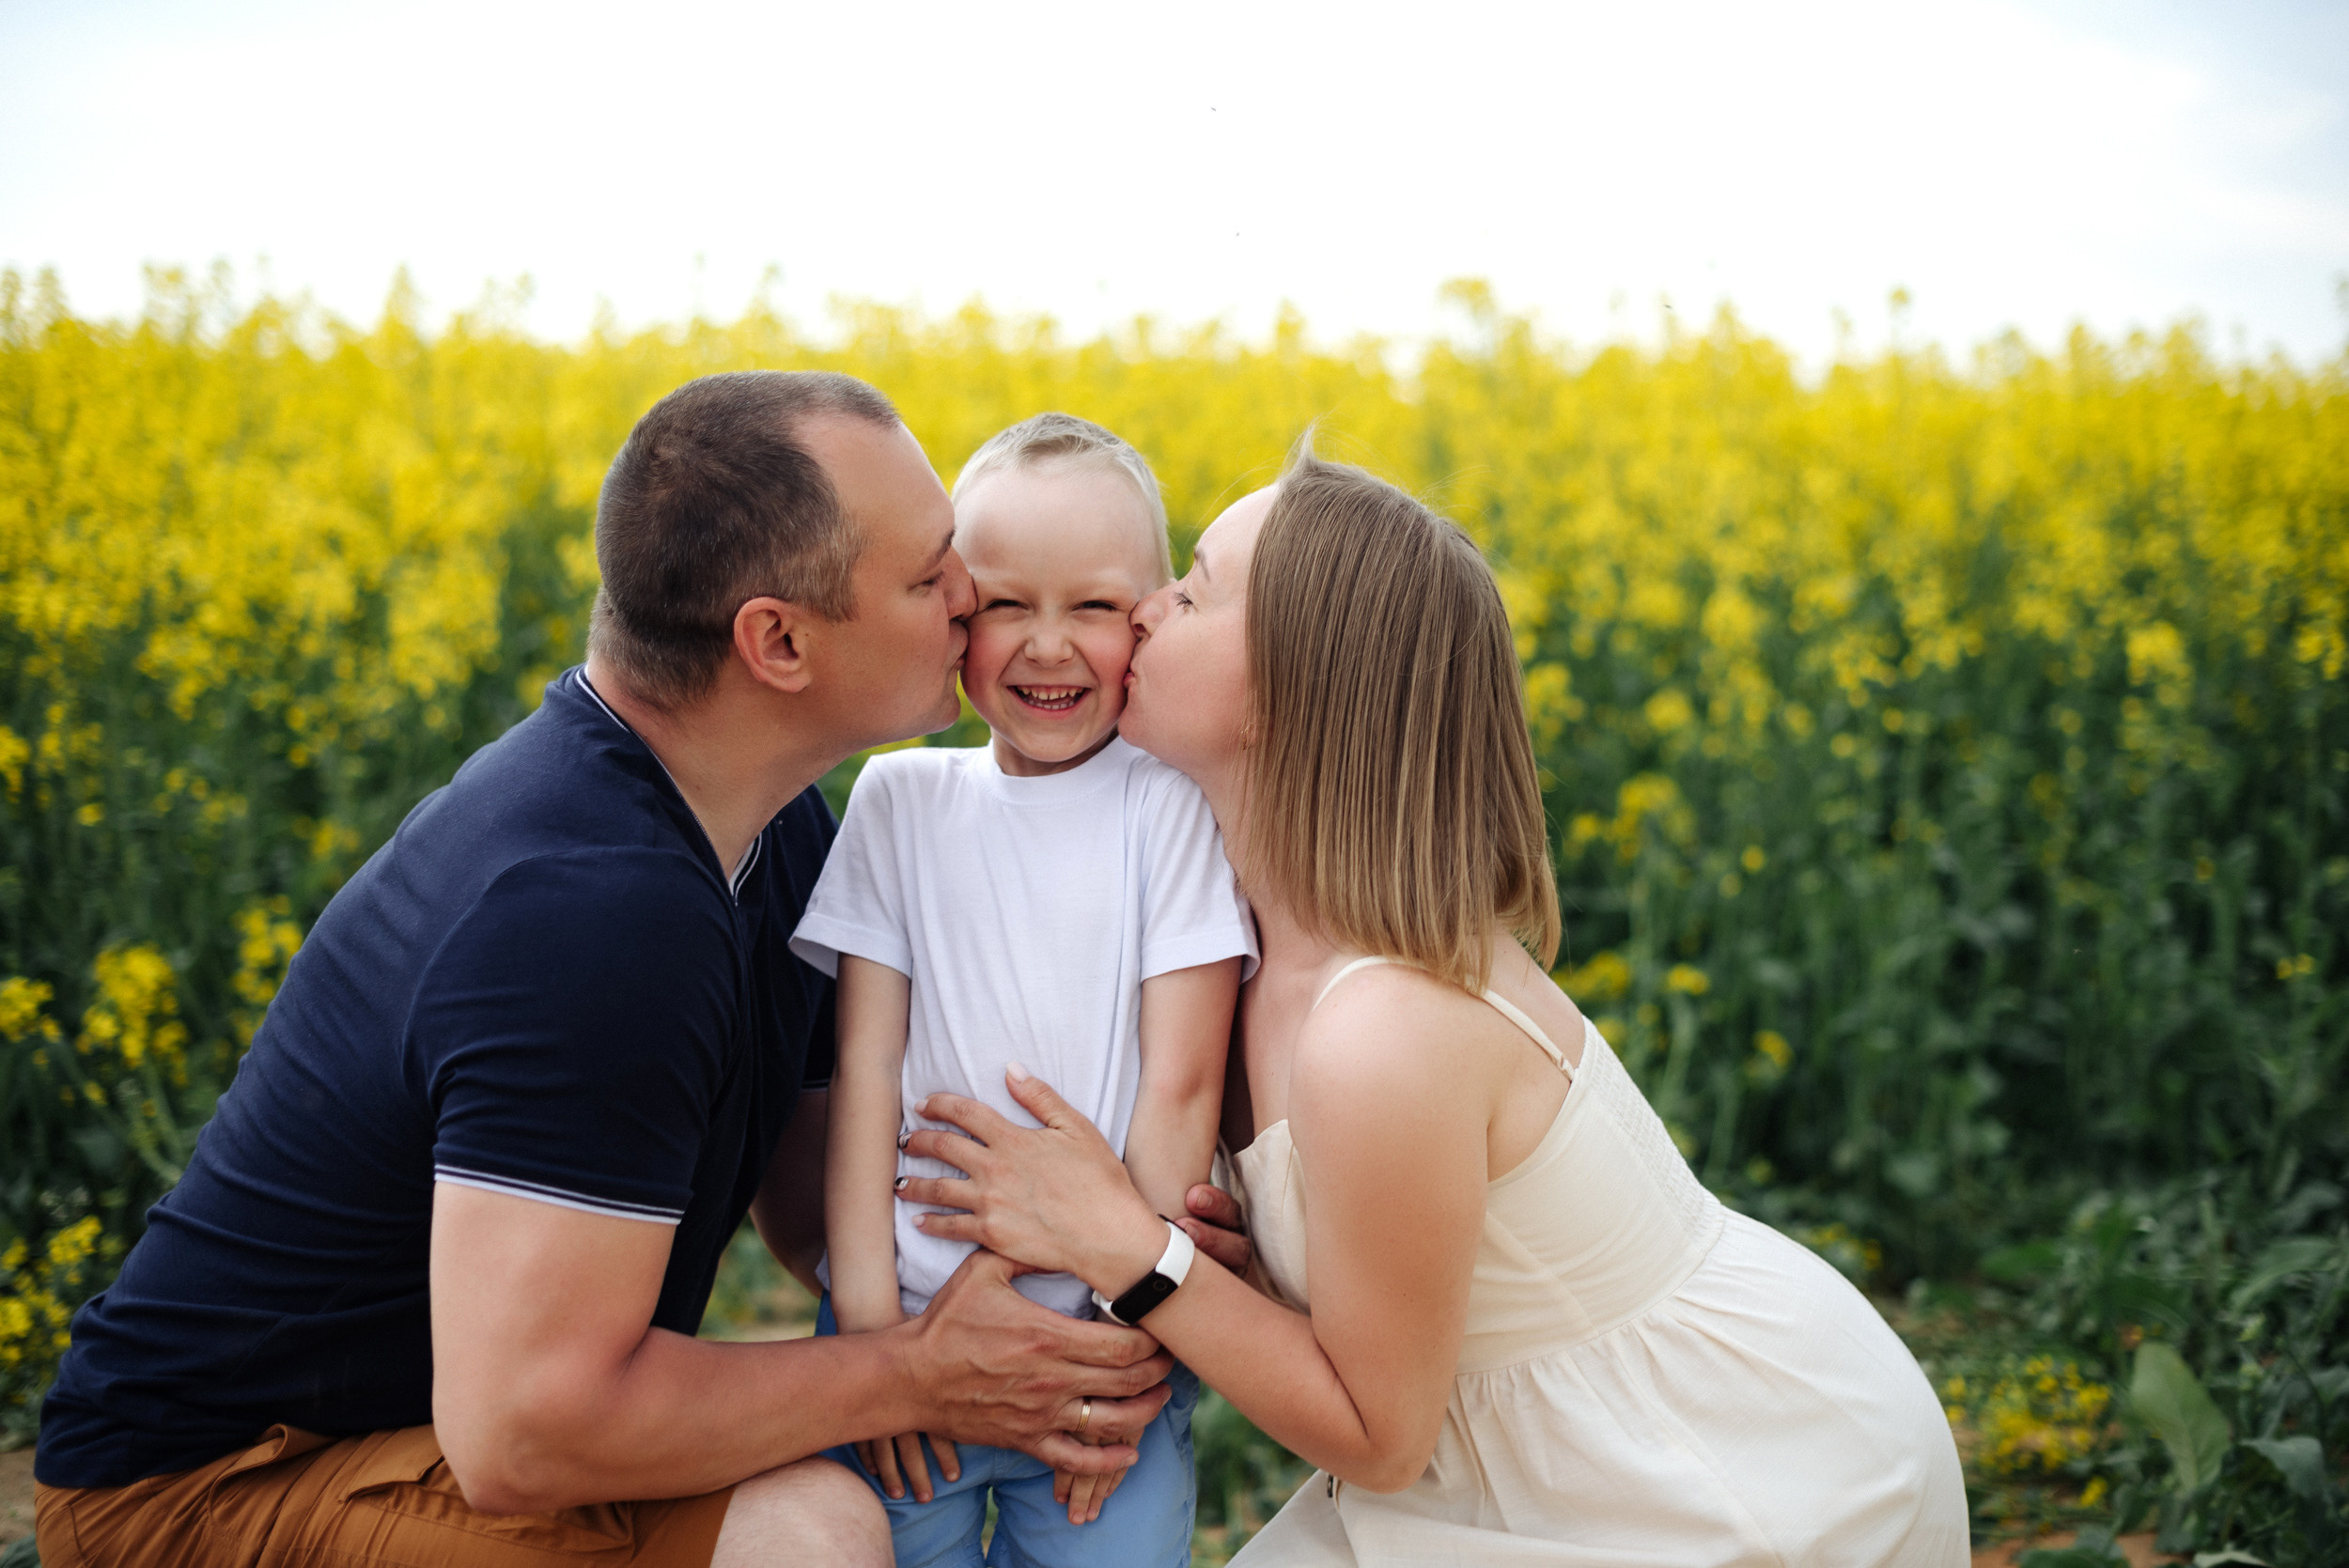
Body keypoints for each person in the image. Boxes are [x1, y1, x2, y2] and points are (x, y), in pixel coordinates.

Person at [31, 372, 1174, 1568]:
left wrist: (1110, 1251)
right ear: (777, 639)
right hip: (205, 1491)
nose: (969, 597)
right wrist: (916, 1375)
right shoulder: (596, 916)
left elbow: (816, 1202)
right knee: (811, 1539)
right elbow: (524, 1437)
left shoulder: (769, 824)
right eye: (929, 571)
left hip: (424, 1429)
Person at [889, 448, 1973, 1564]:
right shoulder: (1227, 942)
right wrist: (1247, 1271)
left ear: (1285, 690)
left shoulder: (1385, 1022)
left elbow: (1379, 1437)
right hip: (1512, 1457)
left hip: (1717, 1479)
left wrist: (1125, 1247)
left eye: (1194, 589)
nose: (1147, 609)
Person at [792, 411, 1254, 1568]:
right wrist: (866, 1338)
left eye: (1093, 608)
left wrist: (1124, 1334)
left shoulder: (1169, 805)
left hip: (1107, 1349)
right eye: (1006, 604)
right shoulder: (897, 802)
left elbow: (1183, 1083)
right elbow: (865, 1078)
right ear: (954, 607)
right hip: (909, 1329)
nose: (1047, 645)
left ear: (1148, 616)